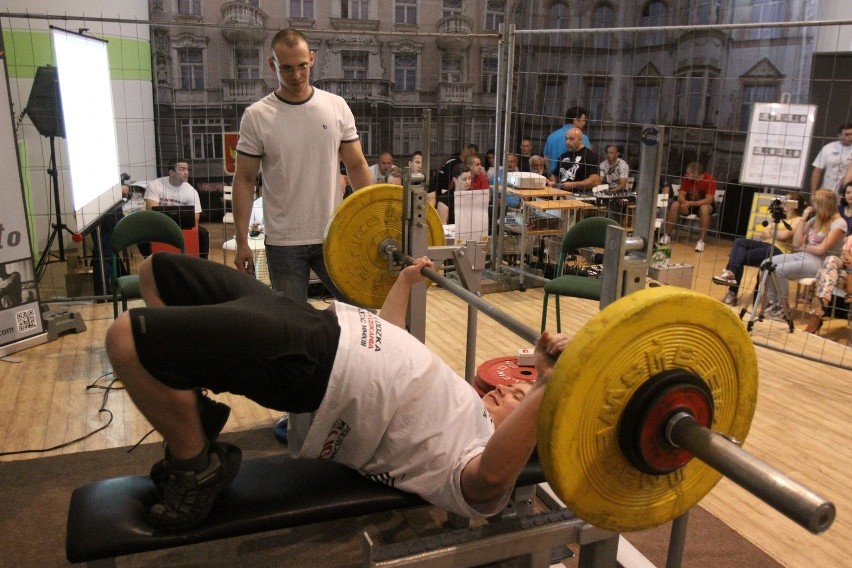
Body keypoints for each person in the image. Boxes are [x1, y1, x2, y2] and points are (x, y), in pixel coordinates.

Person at [104, 252, 568, 530]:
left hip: (317, 366)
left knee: (126, 339)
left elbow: (491, 476)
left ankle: (194, 468)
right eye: (516, 392)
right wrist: (405, 282)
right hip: (318, 321)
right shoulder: (463, 406)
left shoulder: (476, 470)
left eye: (518, 402)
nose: (507, 393)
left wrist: (548, 387)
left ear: (529, 442)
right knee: (157, 272)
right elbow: (392, 339)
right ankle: (190, 413)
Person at [232, 28, 372, 302]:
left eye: (302, 67)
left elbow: (356, 166)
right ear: (272, 64)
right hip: (283, 241)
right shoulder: (256, 116)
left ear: (311, 58)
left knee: (361, 314)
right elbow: (245, 180)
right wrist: (241, 241)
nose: (296, 76)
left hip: (334, 234)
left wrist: (372, 221)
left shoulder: (336, 107)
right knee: (292, 326)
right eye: (286, 69)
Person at [762, 189, 847, 319]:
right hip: (801, 256)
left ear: (825, 205)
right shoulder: (814, 220)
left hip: (819, 262)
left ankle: (782, 308)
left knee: (779, 270)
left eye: (816, 204)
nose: (813, 207)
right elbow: (796, 243)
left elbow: (821, 250)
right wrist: (803, 219)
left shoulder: (839, 224)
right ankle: (773, 302)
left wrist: (804, 247)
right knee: (766, 264)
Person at [712, 193, 804, 306]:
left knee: (736, 256)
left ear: (794, 204)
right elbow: (763, 234)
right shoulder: (779, 218)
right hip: (766, 245)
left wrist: (772, 233)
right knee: (739, 242)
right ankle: (731, 274)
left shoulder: (799, 220)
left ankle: (732, 291)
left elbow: (784, 236)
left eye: (787, 200)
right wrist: (775, 234)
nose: (783, 202)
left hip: (779, 251)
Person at [143, 158, 210, 260]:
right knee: (142, 235)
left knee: (203, 233)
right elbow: (151, 211)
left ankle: (202, 264)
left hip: (183, 225)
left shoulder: (191, 191)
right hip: (160, 224)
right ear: (171, 172)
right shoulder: (155, 185)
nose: (186, 172)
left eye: (187, 169)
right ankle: (151, 263)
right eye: (182, 169)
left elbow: (195, 218)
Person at [658, 162, 717, 252]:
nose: (686, 175)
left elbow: (708, 200)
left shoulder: (710, 179)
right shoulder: (686, 179)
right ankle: (667, 235)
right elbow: (681, 195)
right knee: (675, 205)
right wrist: (684, 202)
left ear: (696, 174)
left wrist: (690, 203)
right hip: (688, 203)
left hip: (703, 204)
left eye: (688, 173)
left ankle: (701, 241)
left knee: (704, 209)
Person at [804, 234, 852, 333]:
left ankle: (817, 315)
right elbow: (843, 258)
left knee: (826, 276)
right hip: (844, 276)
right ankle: (817, 315)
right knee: (831, 260)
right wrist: (847, 259)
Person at [549, 127, 601, 193]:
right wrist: (552, 182)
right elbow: (555, 175)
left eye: (571, 139)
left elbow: (594, 181)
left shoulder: (590, 156)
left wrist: (575, 185)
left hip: (581, 197)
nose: (567, 142)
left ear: (580, 139)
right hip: (563, 196)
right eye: (566, 139)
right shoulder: (563, 156)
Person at [543, 106, 592, 173]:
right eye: (583, 120)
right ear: (575, 120)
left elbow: (546, 158)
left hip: (554, 180)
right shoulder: (582, 138)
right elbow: (588, 159)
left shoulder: (551, 136)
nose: (584, 123)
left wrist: (551, 174)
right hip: (575, 180)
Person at [809, 122, 852, 197]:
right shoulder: (828, 148)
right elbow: (817, 171)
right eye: (847, 134)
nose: (850, 137)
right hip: (826, 192)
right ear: (839, 135)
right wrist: (813, 193)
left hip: (846, 194)